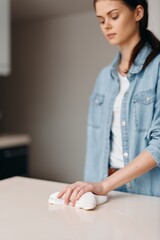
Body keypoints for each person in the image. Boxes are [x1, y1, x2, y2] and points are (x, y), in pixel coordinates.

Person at [58, 0, 160, 206]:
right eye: (101, 20)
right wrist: (92, 188)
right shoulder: (104, 77)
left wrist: (105, 185)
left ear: (138, 12)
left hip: (147, 192)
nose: (106, 25)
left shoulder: (157, 68)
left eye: (114, 16)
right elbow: (96, 144)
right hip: (105, 192)